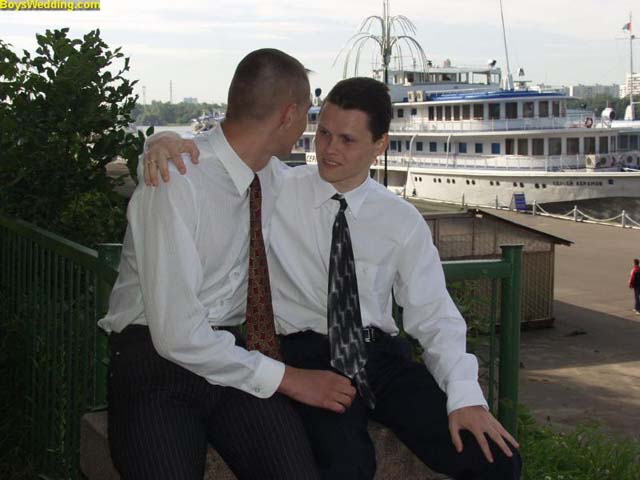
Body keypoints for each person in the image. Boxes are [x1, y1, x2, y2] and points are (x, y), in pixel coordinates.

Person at [146, 77, 522, 479]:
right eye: (323, 133)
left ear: (380, 145)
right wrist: (159, 142)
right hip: (309, 355)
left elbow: (434, 315)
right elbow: (220, 154)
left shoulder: (401, 219)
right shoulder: (278, 186)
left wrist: (465, 396)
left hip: (381, 359)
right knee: (347, 465)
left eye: (347, 140)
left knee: (496, 460)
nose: (328, 150)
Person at [99, 49, 357, 480]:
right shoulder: (176, 179)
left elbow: (348, 177)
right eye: (308, 114)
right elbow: (177, 335)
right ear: (288, 114)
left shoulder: (274, 176)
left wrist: (155, 137)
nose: (307, 126)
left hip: (233, 354)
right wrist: (291, 379)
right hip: (155, 359)